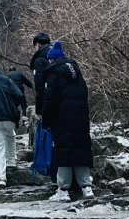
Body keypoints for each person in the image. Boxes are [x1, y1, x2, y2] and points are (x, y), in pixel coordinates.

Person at [40, 41, 94, 200]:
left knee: (62, 151)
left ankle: (63, 190)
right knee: (81, 149)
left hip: (61, 118)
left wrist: (46, 121)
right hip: (81, 118)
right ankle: (86, 187)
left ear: (52, 59)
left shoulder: (53, 74)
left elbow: (48, 100)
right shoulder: (77, 73)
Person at [29, 32, 52, 128]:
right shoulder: (59, 56)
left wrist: (39, 111)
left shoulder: (39, 61)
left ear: (38, 45)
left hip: (50, 101)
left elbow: (40, 87)